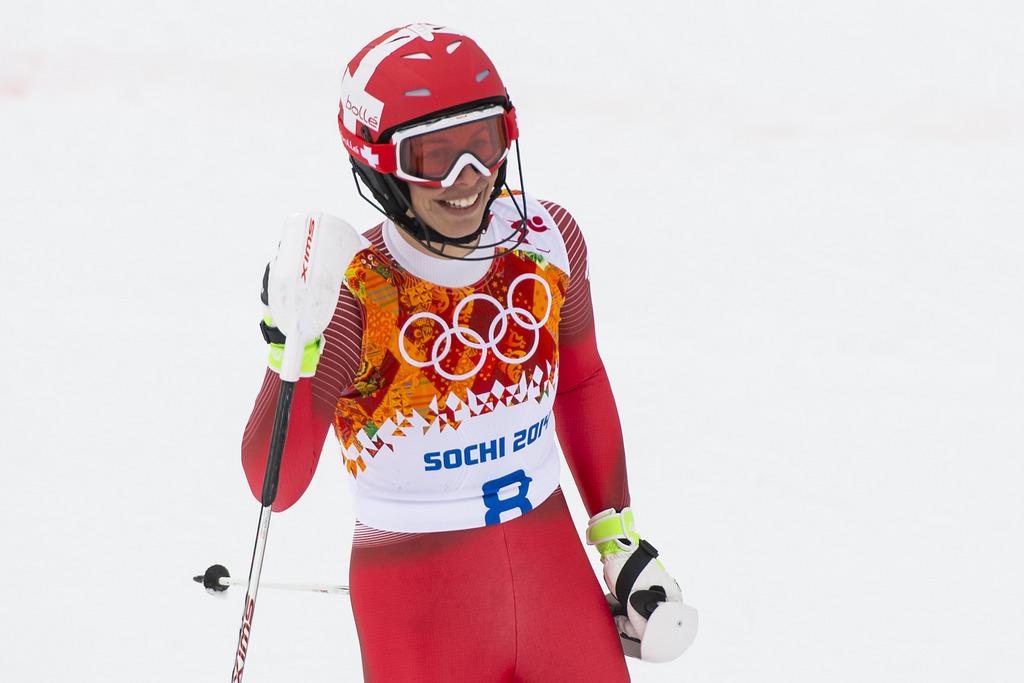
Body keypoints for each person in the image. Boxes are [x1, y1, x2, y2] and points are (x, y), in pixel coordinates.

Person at [242, 23, 696, 682]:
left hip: (551, 572)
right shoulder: (353, 292)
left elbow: (580, 382)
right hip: (416, 591)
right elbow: (273, 487)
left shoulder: (546, 240)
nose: (468, 179)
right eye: (432, 156)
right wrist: (290, 349)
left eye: (482, 145)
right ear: (377, 160)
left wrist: (616, 534)